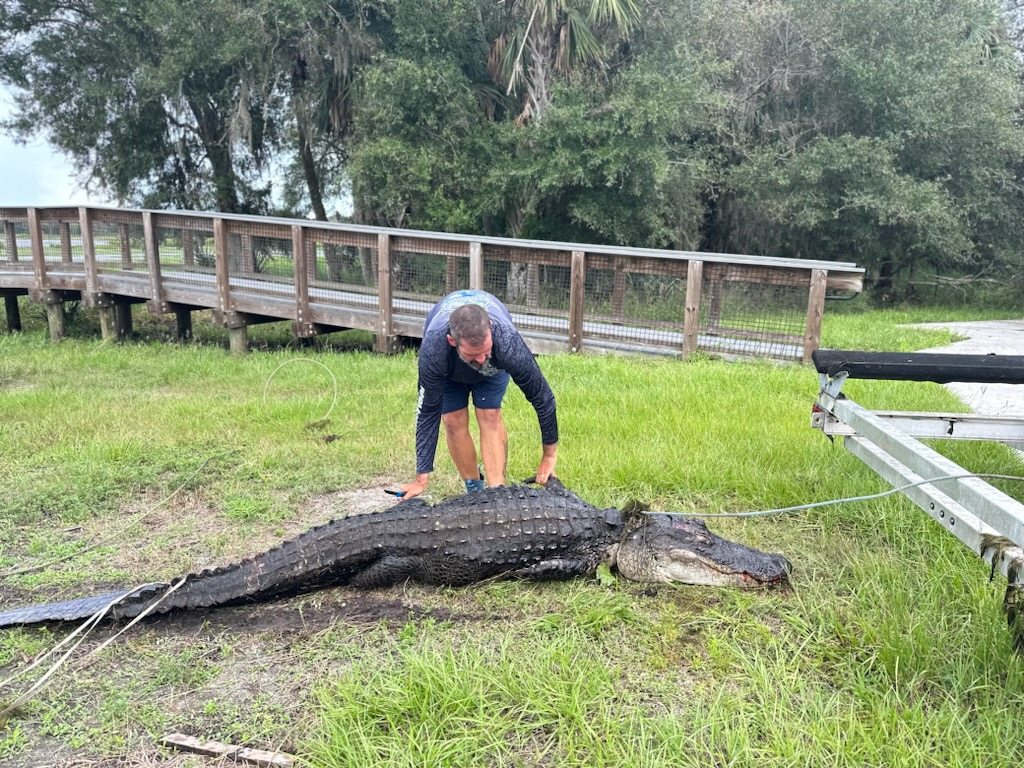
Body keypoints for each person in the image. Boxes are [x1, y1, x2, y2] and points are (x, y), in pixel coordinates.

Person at [397, 289, 558, 500]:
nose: (482, 360)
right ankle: (474, 491)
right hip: (449, 371)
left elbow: (542, 397)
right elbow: (428, 411)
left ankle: (497, 493)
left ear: (491, 329)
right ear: (452, 341)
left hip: (494, 369)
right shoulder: (434, 348)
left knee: (490, 415)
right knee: (453, 421)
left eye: (485, 351)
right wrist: (421, 478)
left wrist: (549, 455)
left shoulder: (506, 342)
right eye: (474, 355)